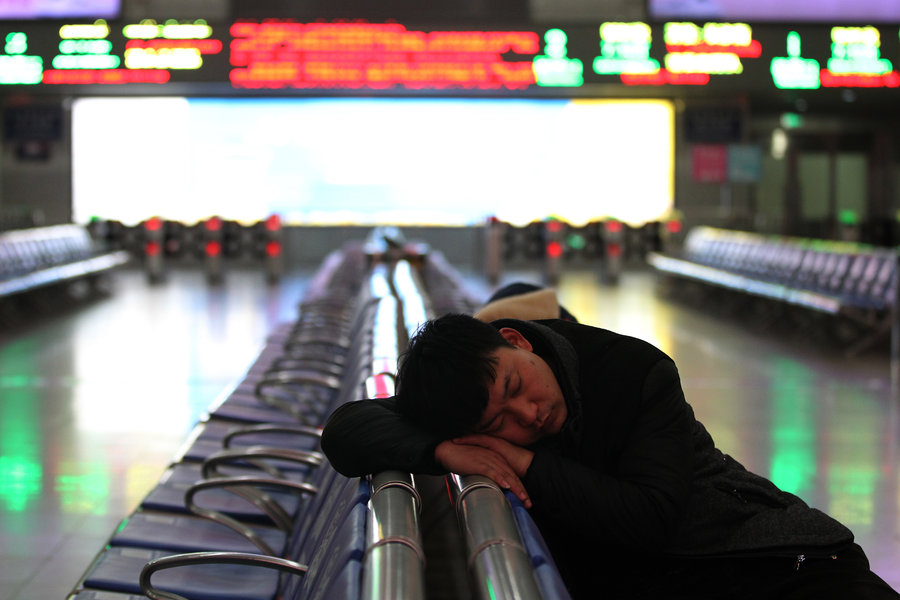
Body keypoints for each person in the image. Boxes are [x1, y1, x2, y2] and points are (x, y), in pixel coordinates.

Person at [321, 284, 899, 599]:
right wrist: (443, 452)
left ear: (516, 340)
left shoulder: (631, 370)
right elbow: (345, 430)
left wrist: (517, 456)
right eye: (500, 424)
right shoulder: (461, 402)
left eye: (519, 388)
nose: (529, 413)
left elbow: (650, 516)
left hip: (770, 559)